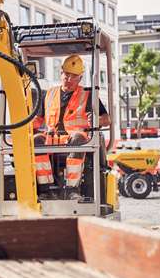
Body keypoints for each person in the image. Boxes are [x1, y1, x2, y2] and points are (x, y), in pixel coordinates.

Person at [32, 55, 111, 200]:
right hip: (52, 138)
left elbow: (107, 119)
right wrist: (22, 127)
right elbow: (38, 120)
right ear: (61, 73)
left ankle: (72, 189)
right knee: (36, 140)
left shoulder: (88, 94)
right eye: (66, 74)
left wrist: (97, 119)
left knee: (78, 138)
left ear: (80, 78)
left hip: (75, 138)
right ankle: (45, 189)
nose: (68, 79)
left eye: (73, 76)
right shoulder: (49, 93)